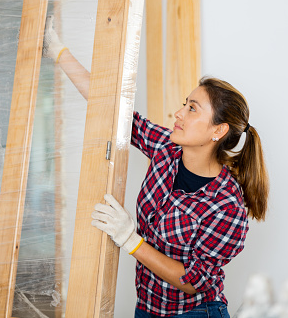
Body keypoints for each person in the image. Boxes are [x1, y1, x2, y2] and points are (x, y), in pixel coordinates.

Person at [43, 16, 269, 318]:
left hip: (195, 312)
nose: (178, 113)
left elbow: (193, 281)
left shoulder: (228, 206)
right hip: (148, 308)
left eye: (192, 109)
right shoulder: (167, 148)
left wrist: (130, 240)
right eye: (184, 103)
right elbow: (109, 109)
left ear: (218, 131)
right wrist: (59, 52)